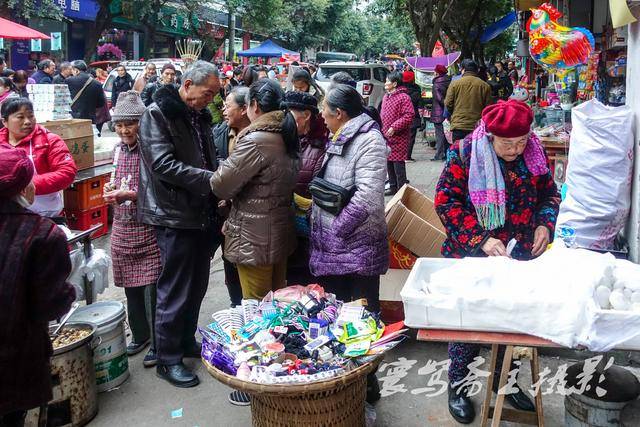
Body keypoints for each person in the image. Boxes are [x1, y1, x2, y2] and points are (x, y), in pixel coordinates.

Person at [434, 100, 560, 424]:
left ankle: (506, 380)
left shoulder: (534, 152)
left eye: (521, 141)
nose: (516, 149)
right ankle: (458, 385)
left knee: (513, 323)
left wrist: (545, 223)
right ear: (491, 136)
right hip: (474, 253)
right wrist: (481, 239)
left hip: (519, 253)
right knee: (470, 325)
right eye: (508, 143)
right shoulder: (463, 152)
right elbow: (446, 202)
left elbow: (550, 194)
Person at [209, 79, 299, 406]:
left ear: (255, 107)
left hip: (253, 237)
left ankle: (257, 384)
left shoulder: (257, 140)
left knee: (257, 312)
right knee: (272, 308)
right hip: (278, 232)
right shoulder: (285, 135)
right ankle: (277, 370)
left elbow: (221, 183)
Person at [138, 60, 221, 388]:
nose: (210, 100)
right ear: (187, 85)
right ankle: (167, 358)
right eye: (206, 93)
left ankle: (186, 341)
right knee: (174, 287)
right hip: (173, 213)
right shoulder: (157, 114)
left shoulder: (198, 116)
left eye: (214, 95)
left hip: (200, 212)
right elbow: (163, 164)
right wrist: (212, 180)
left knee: (197, 283)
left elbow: (207, 156)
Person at [310, 84, 388, 404]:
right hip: (336, 248)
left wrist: (336, 231)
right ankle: (343, 381)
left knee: (362, 319)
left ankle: (366, 383)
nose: (321, 117)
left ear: (340, 114)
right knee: (337, 316)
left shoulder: (369, 141)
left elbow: (368, 197)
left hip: (356, 247)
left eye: (325, 112)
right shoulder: (342, 135)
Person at [0, 148, 76, 427]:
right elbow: (50, 304)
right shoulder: (42, 234)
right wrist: (70, 292)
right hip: (14, 357)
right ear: (23, 189)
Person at [103, 91, 161, 368]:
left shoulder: (151, 149)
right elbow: (116, 180)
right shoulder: (116, 150)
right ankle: (140, 335)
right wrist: (111, 189)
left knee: (153, 289)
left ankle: (158, 342)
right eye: (119, 125)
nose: (124, 130)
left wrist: (131, 195)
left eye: (130, 124)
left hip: (147, 228)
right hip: (122, 229)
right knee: (130, 289)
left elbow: (159, 191)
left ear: (142, 123)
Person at [0, 98, 77, 217]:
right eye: (20, 117)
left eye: (31, 116)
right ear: (4, 121)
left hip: (46, 215)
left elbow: (67, 172)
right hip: (7, 216)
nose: (27, 121)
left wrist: (28, 183)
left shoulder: (50, 140)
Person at [282, 90, 328, 285]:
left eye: (289, 114)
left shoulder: (323, 144)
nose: (285, 120)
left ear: (306, 115)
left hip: (311, 234)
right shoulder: (285, 140)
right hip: (287, 231)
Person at [212, 86, 251, 308]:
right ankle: (235, 304)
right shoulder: (220, 133)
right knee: (230, 266)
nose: (224, 111)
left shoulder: (258, 138)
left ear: (245, 109)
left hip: (249, 218)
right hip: (225, 215)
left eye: (228, 106)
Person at [380, 71, 415, 196]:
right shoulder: (386, 97)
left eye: (387, 81)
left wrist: (395, 127)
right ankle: (393, 187)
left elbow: (409, 115)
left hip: (399, 137)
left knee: (398, 165)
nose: (385, 83)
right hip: (386, 135)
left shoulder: (404, 97)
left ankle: (402, 191)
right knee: (389, 163)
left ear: (394, 83)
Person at [444, 59, 492, 143]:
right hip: (477, 127)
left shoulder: (454, 84)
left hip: (458, 125)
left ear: (463, 69)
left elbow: (448, 103)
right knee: (474, 154)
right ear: (476, 70)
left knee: (458, 152)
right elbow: (488, 108)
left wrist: (455, 114)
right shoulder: (485, 86)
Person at [431, 64, 451, 161]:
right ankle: (447, 154)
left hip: (438, 113)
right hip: (449, 112)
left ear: (437, 72)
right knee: (447, 134)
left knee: (440, 135)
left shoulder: (436, 84)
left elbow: (439, 99)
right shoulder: (450, 81)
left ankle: (439, 155)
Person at [402, 70, 422, 162]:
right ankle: (407, 156)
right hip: (413, 117)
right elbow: (420, 104)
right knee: (411, 137)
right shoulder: (417, 89)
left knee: (402, 137)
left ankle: (401, 156)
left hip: (401, 117)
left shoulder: (400, 90)